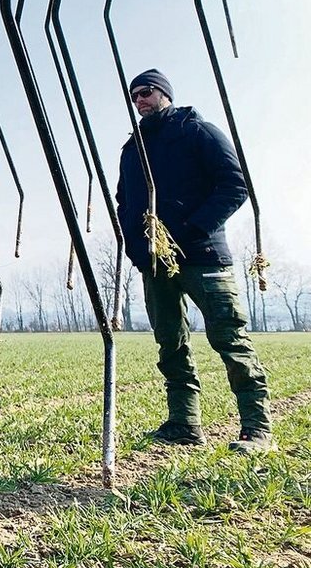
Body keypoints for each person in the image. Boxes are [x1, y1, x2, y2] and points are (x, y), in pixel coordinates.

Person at [115, 69, 273, 454]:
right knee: (170, 344)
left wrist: (193, 229)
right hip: (154, 264)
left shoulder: (198, 131)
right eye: (134, 96)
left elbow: (235, 186)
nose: (140, 100)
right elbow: (124, 201)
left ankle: (257, 428)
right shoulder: (133, 148)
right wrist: (135, 247)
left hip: (203, 257)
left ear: (165, 93)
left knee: (229, 338)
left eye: (146, 92)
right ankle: (184, 423)